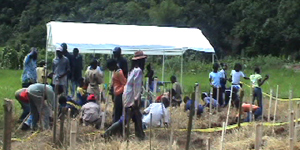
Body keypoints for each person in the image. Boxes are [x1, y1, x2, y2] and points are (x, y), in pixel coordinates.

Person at [104, 50, 147, 140]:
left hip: (127, 97)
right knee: (125, 119)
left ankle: (140, 135)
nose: (144, 62)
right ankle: (108, 133)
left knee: (137, 117)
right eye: (143, 60)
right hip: (131, 98)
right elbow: (137, 87)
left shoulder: (133, 70)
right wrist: (136, 100)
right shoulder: (138, 71)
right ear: (140, 61)